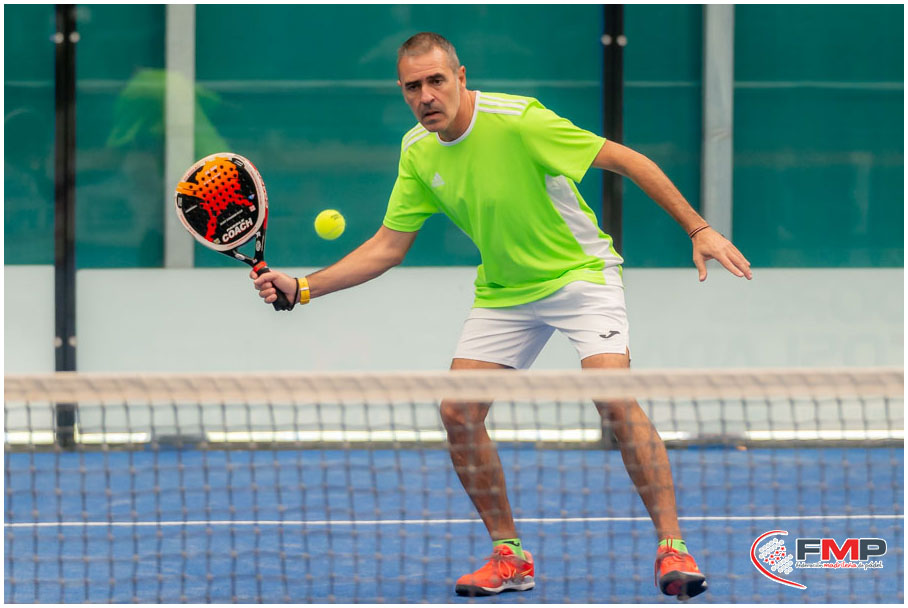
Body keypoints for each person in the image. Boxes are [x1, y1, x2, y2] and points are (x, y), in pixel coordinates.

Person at [252, 32, 752, 600]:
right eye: (413, 87)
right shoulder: (417, 151)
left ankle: (673, 547)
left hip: (580, 274)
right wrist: (304, 287)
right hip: (506, 292)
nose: (426, 96)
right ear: (402, 91)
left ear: (460, 77)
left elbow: (628, 160)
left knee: (613, 397)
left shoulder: (519, 121)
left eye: (436, 80)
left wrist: (698, 228)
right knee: (458, 411)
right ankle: (509, 555)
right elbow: (388, 247)